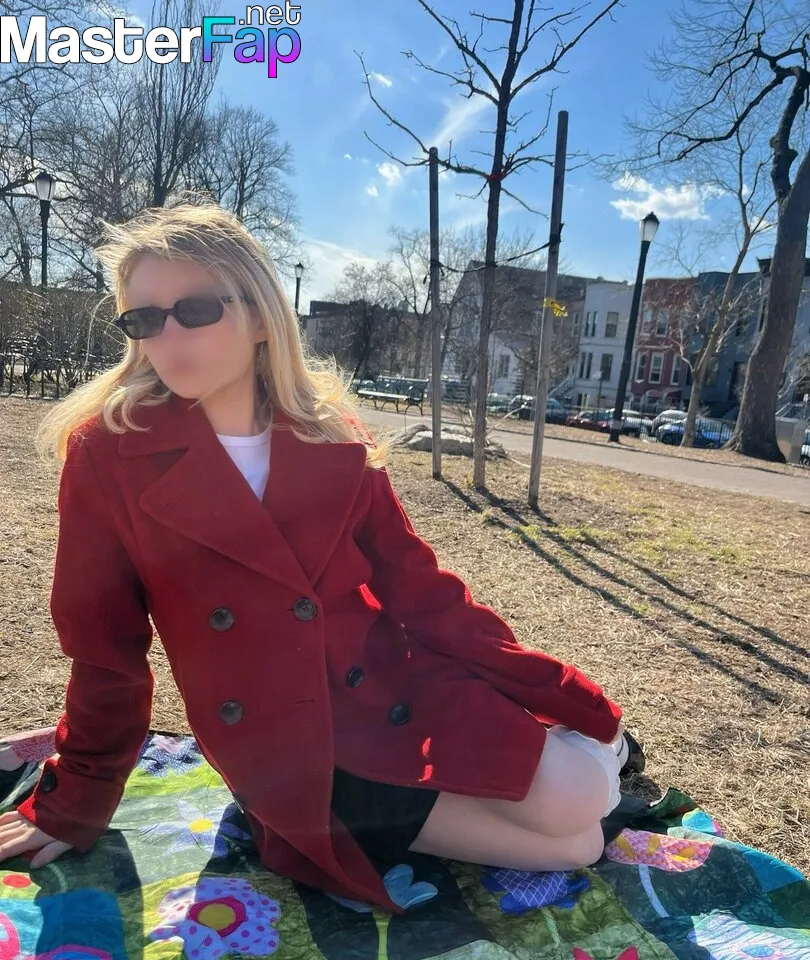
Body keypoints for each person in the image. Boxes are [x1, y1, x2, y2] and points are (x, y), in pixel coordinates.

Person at [0, 199, 640, 915]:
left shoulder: (330, 434)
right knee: (578, 839)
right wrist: (73, 800)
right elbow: (103, 648)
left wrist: (566, 694)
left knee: (581, 801)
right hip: (283, 749)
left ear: (260, 315)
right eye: (144, 319)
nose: (168, 337)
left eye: (195, 310)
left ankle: (592, 746)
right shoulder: (109, 452)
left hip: (391, 691)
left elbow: (423, 592)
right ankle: (579, 757)